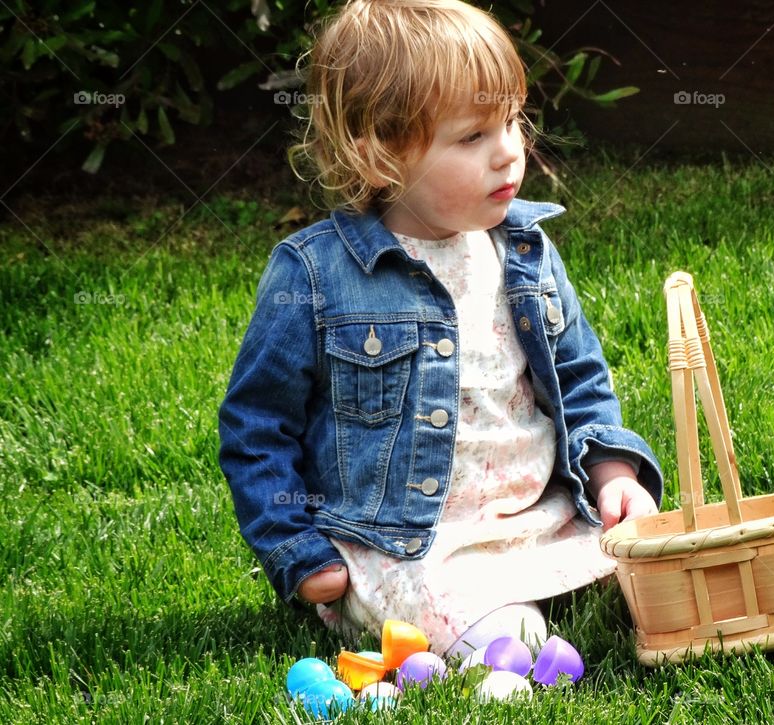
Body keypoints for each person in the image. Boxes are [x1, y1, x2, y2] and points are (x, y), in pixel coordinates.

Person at [218, 0, 663, 657]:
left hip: (540, 514)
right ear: (380, 156)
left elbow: (578, 376)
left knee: (655, 561)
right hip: (407, 541)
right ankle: (504, 640)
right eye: (472, 137)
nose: (509, 152)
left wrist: (612, 470)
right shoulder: (315, 274)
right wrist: (297, 549)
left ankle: (542, 588)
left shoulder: (524, 250)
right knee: (511, 634)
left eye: (511, 121)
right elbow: (258, 423)